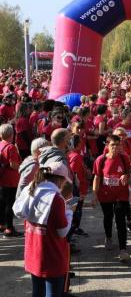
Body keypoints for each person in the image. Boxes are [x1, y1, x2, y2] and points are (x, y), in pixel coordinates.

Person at [13, 161, 74, 297]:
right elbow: (62, 231)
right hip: (52, 255)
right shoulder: (56, 199)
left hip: (34, 253)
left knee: (37, 292)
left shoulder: (31, 190)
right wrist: (69, 212)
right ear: (60, 180)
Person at [92, 134, 131, 262]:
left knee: (120, 219)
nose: (115, 147)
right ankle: (108, 236)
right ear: (107, 146)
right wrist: (94, 195)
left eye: (117, 144)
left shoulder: (124, 158)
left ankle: (123, 249)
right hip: (105, 194)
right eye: (112, 145)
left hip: (121, 194)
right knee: (108, 216)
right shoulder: (100, 160)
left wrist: (126, 177)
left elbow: (128, 173)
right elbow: (97, 177)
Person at [0, 123, 22, 237]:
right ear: (11, 134)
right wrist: (22, 167)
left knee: (2, 203)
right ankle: (9, 228)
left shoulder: (0, 145)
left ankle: (2, 224)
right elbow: (13, 165)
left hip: (2, 178)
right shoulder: (11, 147)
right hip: (10, 179)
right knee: (10, 204)